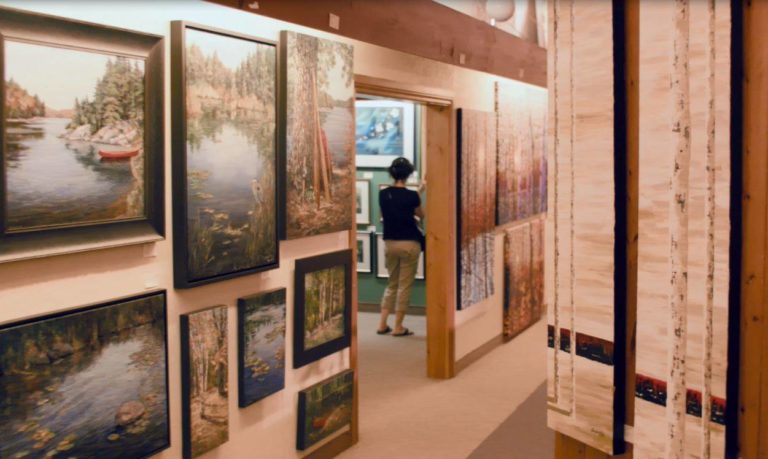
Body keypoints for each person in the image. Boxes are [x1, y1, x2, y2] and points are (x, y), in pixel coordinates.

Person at [377, 157, 425, 337]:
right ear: (408, 174)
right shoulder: (412, 196)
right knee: (405, 286)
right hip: (409, 244)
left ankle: (382, 324)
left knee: (392, 284)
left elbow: (386, 214)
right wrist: (420, 192)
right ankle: (398, 327)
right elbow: (421, 214)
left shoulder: (383, 194)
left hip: (390, 244)